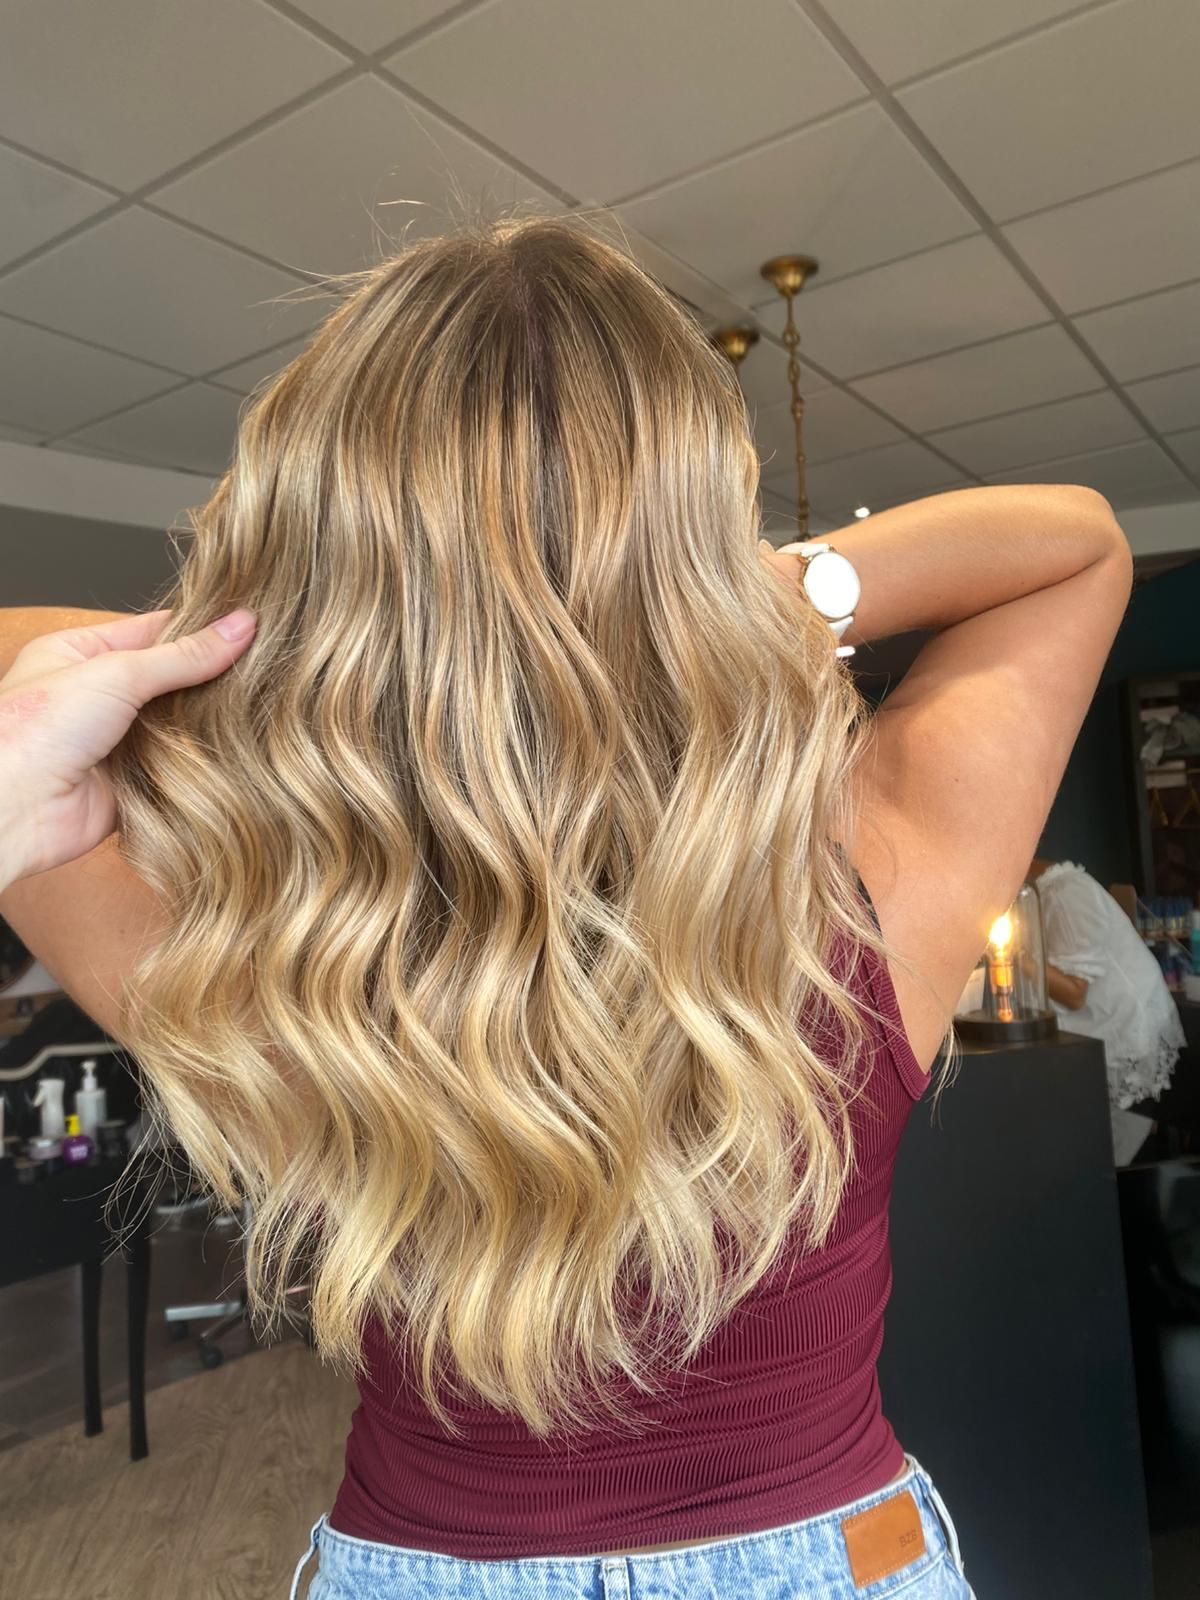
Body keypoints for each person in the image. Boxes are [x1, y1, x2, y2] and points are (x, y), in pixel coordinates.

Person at [0, 214, 1132, 1600]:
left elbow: (16, 667)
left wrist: (320, 623)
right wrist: (738, 595)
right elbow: (1076, 543)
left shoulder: (266, 963)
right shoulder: (870, 891)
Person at [1029, 856, 1186, 1165]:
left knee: (1100, 1163)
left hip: (1125, 1045)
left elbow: (1075, 993)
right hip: (1091, 1043)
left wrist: (1016, 959)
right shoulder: (1037, 897)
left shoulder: (1067, 894)